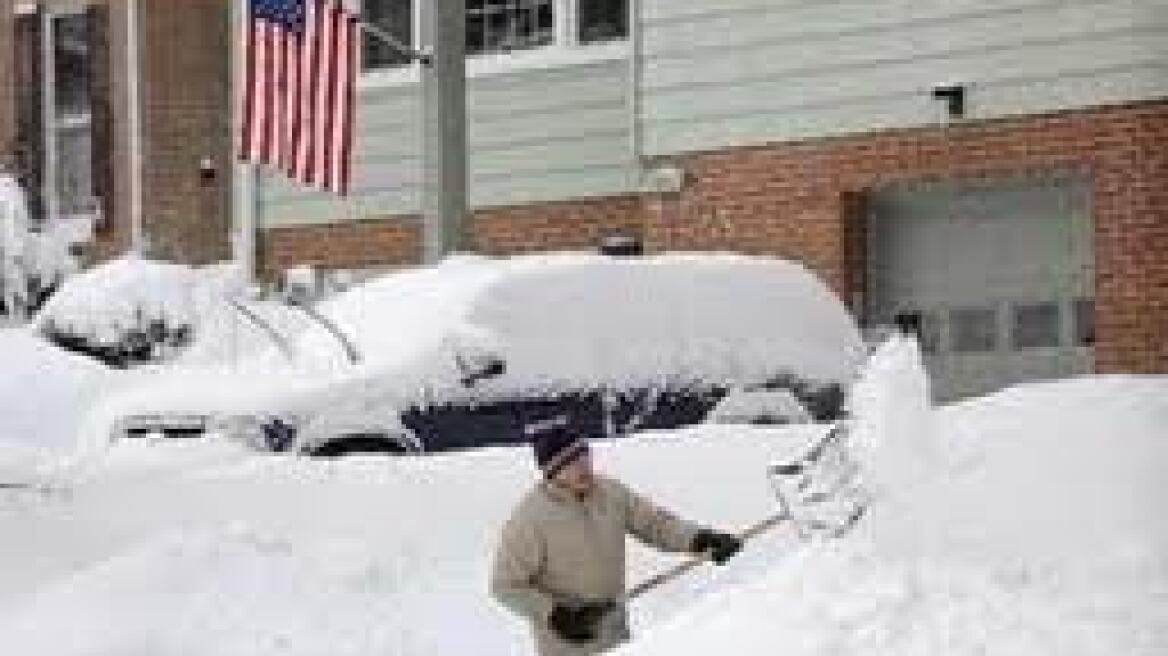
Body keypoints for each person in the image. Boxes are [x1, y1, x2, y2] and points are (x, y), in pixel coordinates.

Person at [491, 418, 743, 655]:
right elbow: (504, 585)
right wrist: (557, 616)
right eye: (571, 463)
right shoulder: (531, 519)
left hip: (615, 635)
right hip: (565, 644)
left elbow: (656, 524)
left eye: (585, 457)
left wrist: (700, 539)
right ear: (553, 471)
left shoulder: (609, 493)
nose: (584, 468)